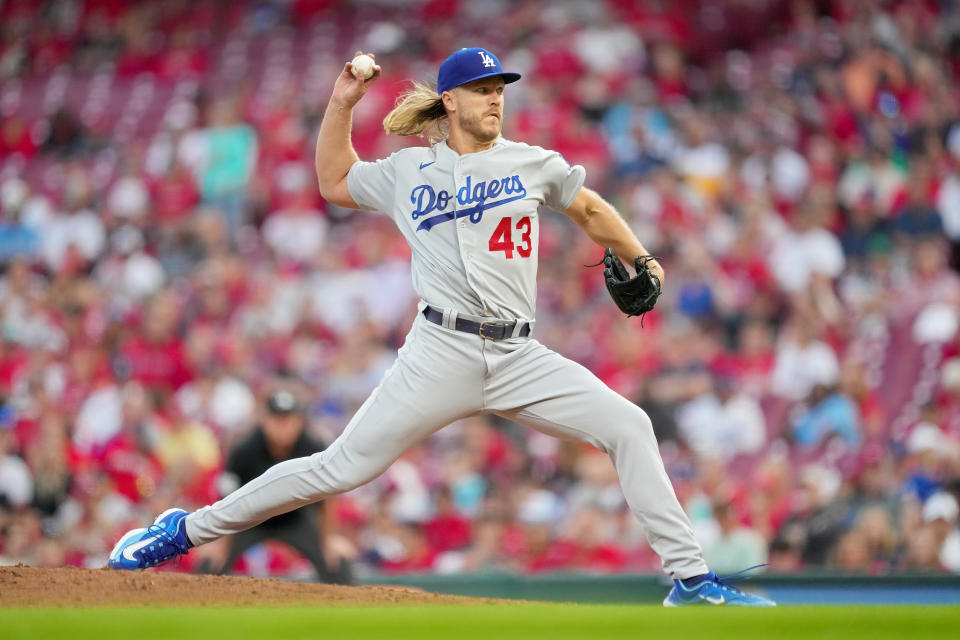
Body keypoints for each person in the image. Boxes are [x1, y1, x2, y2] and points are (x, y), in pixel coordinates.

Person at [108, 47, 774, 607]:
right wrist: (342, 103)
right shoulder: (407, 171)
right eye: (481, 90)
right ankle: (181, 531)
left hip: (519, 354)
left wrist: (642, 257)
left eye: (499, 89)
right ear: (450, 101)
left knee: (629, 425)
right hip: (440, 349)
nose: (495, 99)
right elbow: (333, 180)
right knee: (339, 467)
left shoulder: (530, 162)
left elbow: (592, 209)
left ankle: (690, 580)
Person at [199, 389, 352, 583]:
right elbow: (225, 497)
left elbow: (326, 500)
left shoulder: (312, 447)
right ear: (265, 421)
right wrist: (220, 543)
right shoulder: (244, 450)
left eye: (289, 420)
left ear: (299, 422)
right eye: (277, 420)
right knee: (211, 562)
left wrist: (329, 539)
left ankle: (342, 611)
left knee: (337, 561)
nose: (283, 426)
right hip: (249, 519)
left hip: (295, 518)